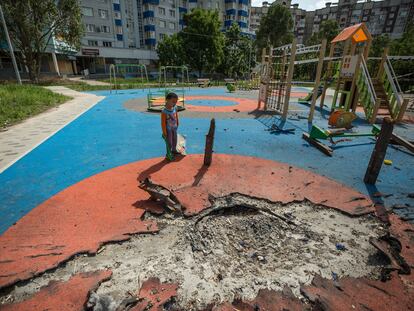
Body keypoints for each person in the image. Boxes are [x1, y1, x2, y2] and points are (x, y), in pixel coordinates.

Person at [161, 92, 179, 159]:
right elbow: (163, 123)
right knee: (169, 142)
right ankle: (168, 154)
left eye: (176, 102)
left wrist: (178, 123)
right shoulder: (164, 111)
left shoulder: (175, 108)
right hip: (168, 129)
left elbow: (176, 116)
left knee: (175, 140)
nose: (174, 103)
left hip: (174, 128)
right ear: (167, 100)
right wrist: (164, 132)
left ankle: (174, 150)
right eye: (173, 101)